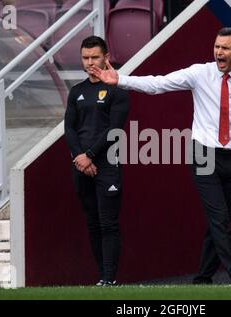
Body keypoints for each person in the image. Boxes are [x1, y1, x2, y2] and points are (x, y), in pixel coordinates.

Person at [92, 27, 231, 285]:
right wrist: (121, 80)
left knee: (221, 220)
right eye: (216, 46)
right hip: (203, 154)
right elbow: (158, 84)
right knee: (218, 218)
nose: (218, 52)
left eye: (225, 48)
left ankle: (203, 277)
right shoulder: (199, 73)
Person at [64, 36, 129, 286]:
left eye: (95, 57)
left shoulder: (117, 92)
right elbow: (69, 129)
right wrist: (79, 157)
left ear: (106, 57)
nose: (90, 62)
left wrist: (89, 155)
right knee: (92, 223)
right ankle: (102, 277)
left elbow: (115, 130)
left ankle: (110, 279)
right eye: (85, 57)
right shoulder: (76, 91)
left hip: (107, 166)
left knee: (108, 223)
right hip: (80, 166)